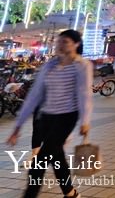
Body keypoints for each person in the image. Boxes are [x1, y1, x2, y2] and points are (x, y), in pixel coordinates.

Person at [6, 29, 92, 198]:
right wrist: (18, 126)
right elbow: (35, 95)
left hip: (66, 118)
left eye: (65, 41)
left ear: (76, 44)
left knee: (39, 163)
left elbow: (84, 94)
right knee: (57, 156)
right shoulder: (49, 65)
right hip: (46, 118)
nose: (60, 44)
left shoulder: (82, 66)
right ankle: (70, 193)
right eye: (59, 41)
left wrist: (85, 121)